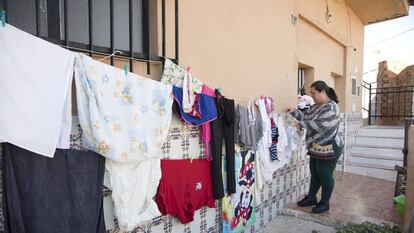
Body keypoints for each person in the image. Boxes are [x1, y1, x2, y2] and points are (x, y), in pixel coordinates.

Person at [287, 80, 342, 214]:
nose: (312, 96)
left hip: (329, 145)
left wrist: (301, 124)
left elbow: (322, 125)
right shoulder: (317, 106)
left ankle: (325, 202)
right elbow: (306, 116)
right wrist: (293, 112)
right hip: (316, 146)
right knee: (315, 172)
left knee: (325, 174)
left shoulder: (331, 107)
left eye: (314, 93)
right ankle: (311, 198)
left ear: (323, 92)